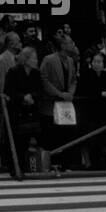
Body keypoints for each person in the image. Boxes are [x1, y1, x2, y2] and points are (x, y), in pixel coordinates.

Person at [39, 34, 78, 163]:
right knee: (53, 136)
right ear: (62, 45)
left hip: (66, 103)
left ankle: (66, 162)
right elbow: (43, 79)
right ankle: (53, 163)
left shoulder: (71, 60)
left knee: (66, 134)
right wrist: (60, 94)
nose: (73, 44)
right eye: (70, 42)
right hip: (51, 103)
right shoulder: (49, 59)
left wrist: (70, 93)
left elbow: (73, 79)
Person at [4, 46, 43, 170]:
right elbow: (9, 91)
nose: (36, 61)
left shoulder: (37, 73)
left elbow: (40, 90)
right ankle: (15, 167)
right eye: (34, 58)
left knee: (30, 141)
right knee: (16, 142)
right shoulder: (13, 72)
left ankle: (30, 166)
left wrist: (32, 96)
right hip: (17, 111)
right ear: (26, 59)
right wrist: (23, 97)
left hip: (31, 111)